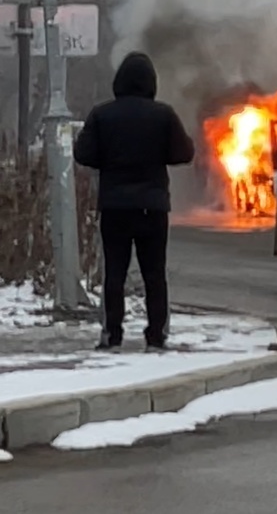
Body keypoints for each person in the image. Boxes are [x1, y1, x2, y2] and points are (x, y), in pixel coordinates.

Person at [74, 52, 195, 352]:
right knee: (155, 273)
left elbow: (83, 154)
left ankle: (111, 335)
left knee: (114, 272)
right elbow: (184, 153)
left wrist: (109, 158)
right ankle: (155, 336)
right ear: (151, 83)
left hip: (114, 206)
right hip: (152, 207)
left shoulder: (102, 115)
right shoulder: (163, 115)